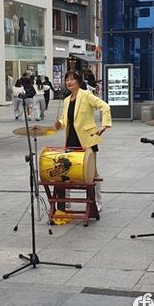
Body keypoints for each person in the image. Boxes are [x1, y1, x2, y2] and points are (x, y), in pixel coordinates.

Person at [54, 70, 111, 211]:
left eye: (72, 79)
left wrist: (105, 125)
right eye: (67, 79)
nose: (69, 82)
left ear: (78, 81)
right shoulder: (66, 100)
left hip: (87, 139)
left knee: (92, 172)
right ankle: (65, 202)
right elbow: (65, 119)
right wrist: (60, 123)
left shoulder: (86, 95)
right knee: (67, 170)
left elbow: (105, 106)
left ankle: (96, 202)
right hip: (71, 139)